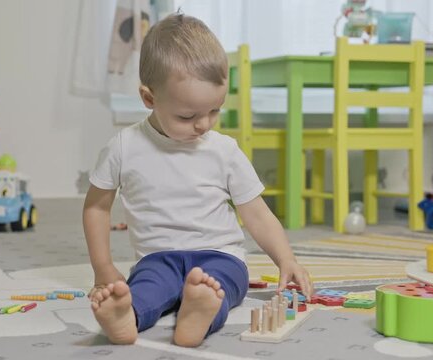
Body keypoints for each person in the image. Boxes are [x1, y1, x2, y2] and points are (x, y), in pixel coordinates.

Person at [83, 13, 313, 348]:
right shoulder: (123, 147)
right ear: (149, 99)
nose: (204, 124)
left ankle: (198, 314)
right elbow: (96, 208)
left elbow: (257, 214)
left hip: (220, 255)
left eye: (214, 110)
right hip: (157, 258)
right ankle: (125, 316)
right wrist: (103, 268)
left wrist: (286, 258)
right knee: (145, 287)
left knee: (221, 285)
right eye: (188, 115)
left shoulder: (225, 152)